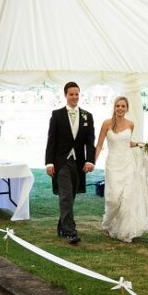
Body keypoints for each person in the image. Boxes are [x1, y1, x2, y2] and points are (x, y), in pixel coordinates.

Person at [94, 96, 148, 242]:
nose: (120, 108)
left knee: (126, 197)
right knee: (113, 198)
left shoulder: (130, 124)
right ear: (114, 107)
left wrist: (138, 144)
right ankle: (107, 224)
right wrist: (93, 161)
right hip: (113, 164)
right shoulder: (107, 124)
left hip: (128, 163)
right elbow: (99, 144)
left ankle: (124, 230)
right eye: (118, 106)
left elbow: (126, 142)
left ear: (127, 108)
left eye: (123, 106)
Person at [45, 82, 95, 244]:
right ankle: (70, 231)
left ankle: (61, 225)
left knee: (71, 196)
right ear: (65, 95)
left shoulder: (87, 116)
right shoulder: (57, 114)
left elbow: (90, 141)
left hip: (79, 163)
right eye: (71, 94)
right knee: (65, 196)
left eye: (77, 94)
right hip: (61, 162)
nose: (74, 97)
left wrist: (90, 160)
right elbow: (51, 140)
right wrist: (49, 163)